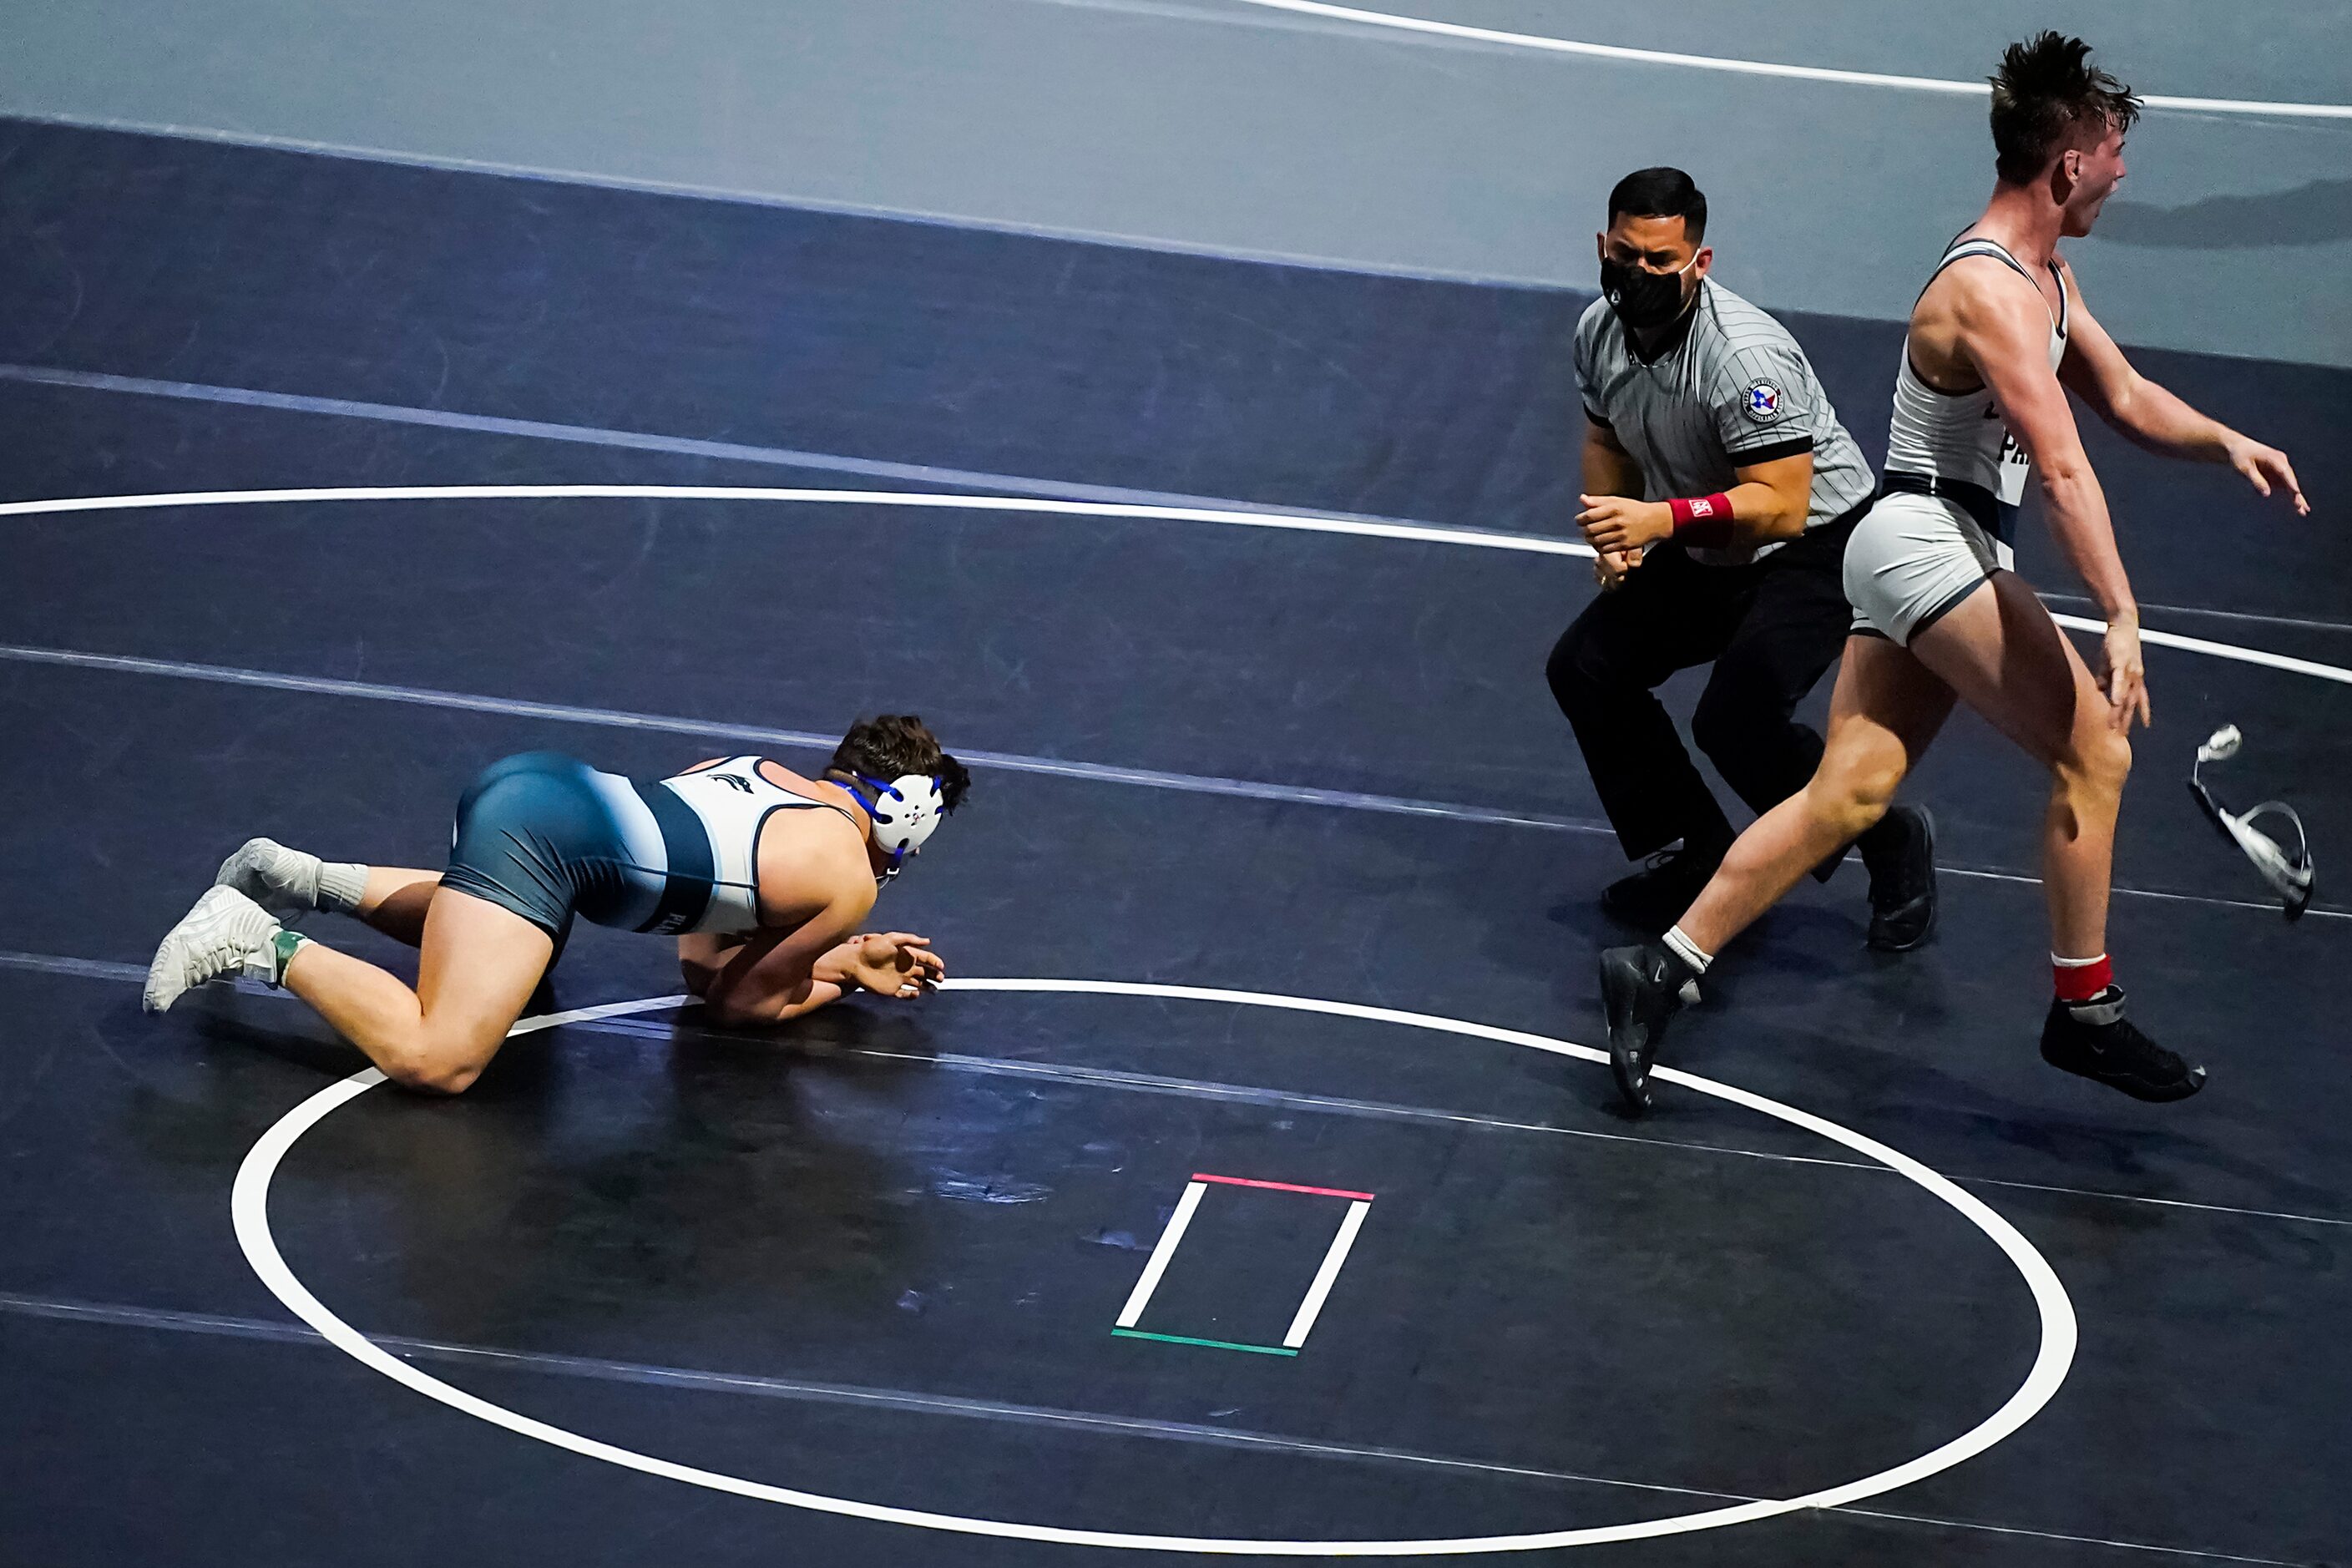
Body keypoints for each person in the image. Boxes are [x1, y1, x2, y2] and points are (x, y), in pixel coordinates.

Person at [1597, 35, 2309, 1114]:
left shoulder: (2041, 277)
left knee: (1850, 791)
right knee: (2097, 753)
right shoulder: (1987, 291)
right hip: (1934, 540)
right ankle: (2085, 1009)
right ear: (2066, 163)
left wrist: (2226, 441)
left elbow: (2119, 393)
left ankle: (1662, 963)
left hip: (1911, 543)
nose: (2122, 175)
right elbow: (2063, 462)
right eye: (2114, 153)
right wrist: (2119, 614)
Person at [143, 715, 970, 1094]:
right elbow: (737, 1003)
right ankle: (257, 940)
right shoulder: (846, 878)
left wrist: (831, 953)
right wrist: (839, 982)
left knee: (519, 937)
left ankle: (304, 877)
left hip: (537, 788)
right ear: (909, 813)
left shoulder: (755, 768)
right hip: (542, 845)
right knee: (443, 1059)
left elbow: (700, 954)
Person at [1553, 166, 1935, 948]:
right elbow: (1603, 437)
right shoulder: (1598, 328)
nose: (1639, 276)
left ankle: (1888, 838)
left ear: (1700, 262)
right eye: (1625, 256)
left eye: (1660, 262)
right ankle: (1697, 853)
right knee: (1586, 666)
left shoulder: (1743, 359)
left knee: (1737, 718)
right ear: (1602, 245)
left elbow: (1782, 504)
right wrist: (1612, 535)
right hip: (1705, 536)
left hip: (1815, 546)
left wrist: (1656, 518)